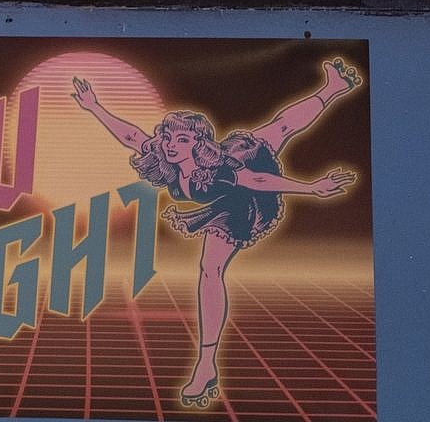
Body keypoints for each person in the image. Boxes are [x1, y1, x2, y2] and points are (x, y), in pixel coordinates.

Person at [73, 61, 361, 408]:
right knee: (278, 128)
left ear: (198, 144)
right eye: (168, 137)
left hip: (240, 204)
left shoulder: (214, 173)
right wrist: (94, 107)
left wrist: (311, 187)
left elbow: (256, 181)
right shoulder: (164, 160)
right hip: (232, 171)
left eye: (182, 139)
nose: (170, 144)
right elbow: (131, 135)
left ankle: (206, 363)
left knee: (211, 269)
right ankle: (334, 88)